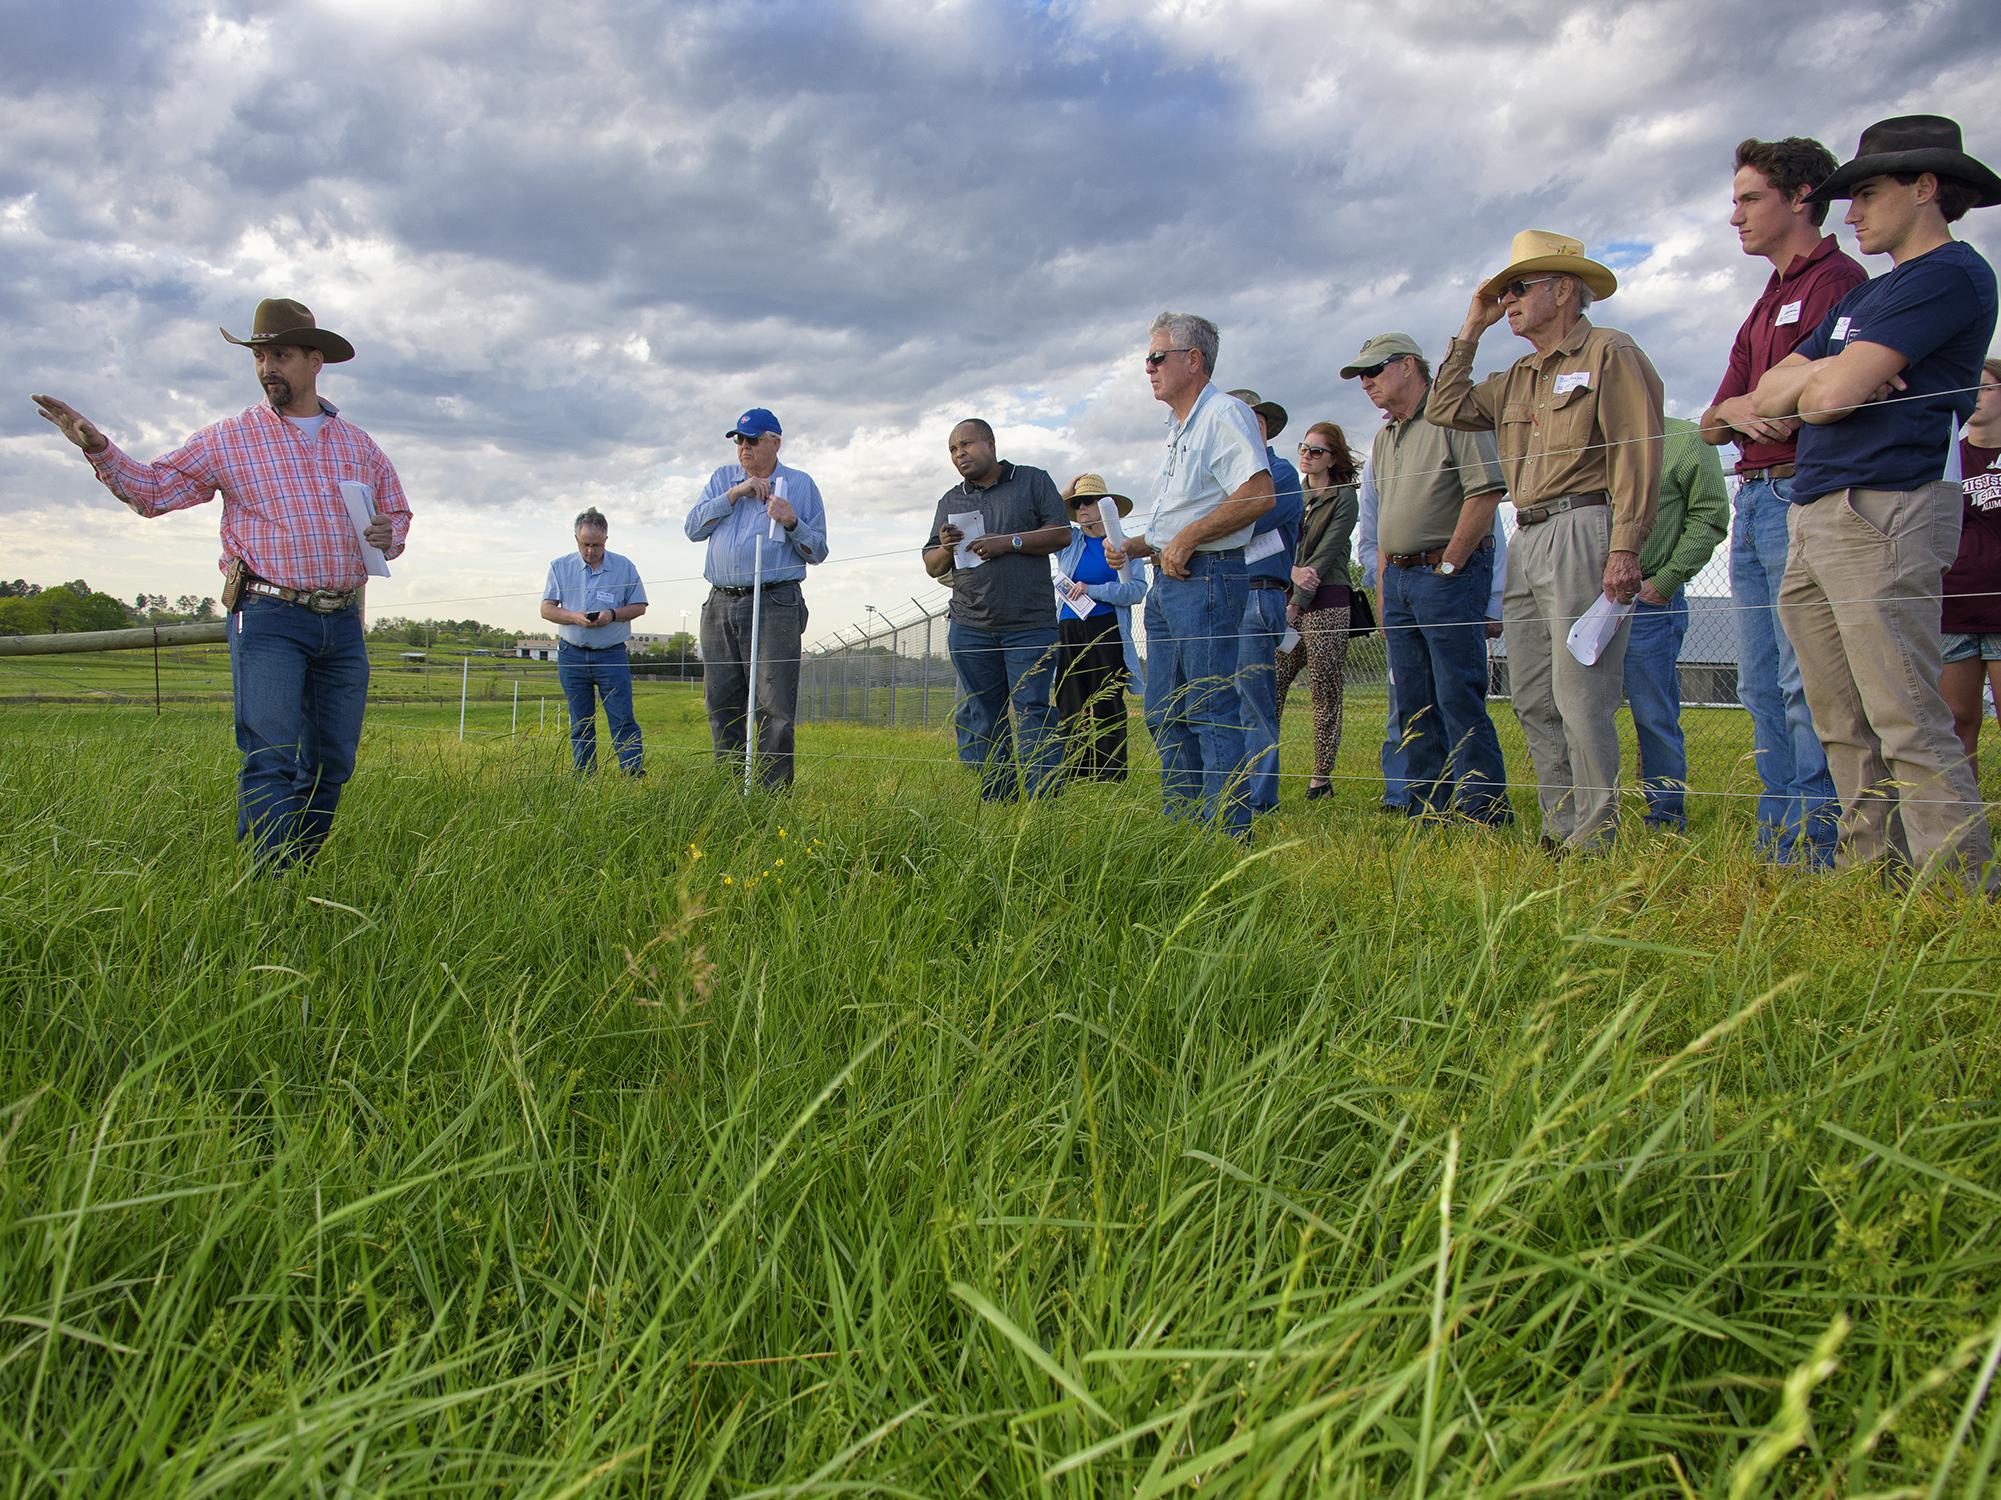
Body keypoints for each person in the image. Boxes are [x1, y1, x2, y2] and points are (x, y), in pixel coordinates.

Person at [34, 297, 411, 870]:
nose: (266, 368)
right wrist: (98, 448)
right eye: (259, 356)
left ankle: (294, 866)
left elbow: (398, 517)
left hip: (342, 621)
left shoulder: (359, 446)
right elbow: (154, 491)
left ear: (315, 361)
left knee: (332, 762)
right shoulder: (228, 439)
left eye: (279, 355)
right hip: (268, 616)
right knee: (271, 754)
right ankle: (269, 880)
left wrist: (387, 533)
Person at [1754, 115, 1999, 890]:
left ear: (1924, 187)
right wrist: (1828, 382)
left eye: (1864, 193)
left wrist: (1826, 384)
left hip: (1884, 505)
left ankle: (1956, 893)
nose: (1850, 212)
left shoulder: (1950, 275)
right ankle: (1873, 879)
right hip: (1817, 506)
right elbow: (1767, 391)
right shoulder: (1879, 290)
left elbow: (1819, 397)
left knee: (1904, 715)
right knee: (1840, 721)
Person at [1429, 231, 1664, 853]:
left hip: (1585, 527)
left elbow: (1637, 452)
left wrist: (1625, 545)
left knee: (1581, 695)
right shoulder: (1516, 377)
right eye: (1502, 291)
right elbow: (1444, 406)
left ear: (1564, 290)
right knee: (1533, 694)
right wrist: (1472, 326)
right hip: (1528, 533)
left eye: (1518, 288)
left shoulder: (1610, 352)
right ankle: (1560, 830)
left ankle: (1595, 837)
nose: (1507, 299)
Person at [1699, 136, 1865, 866]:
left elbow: (1825, 395)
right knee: (1760, 680)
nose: (1733, 215)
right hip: (1754, 497)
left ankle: (1818, 847)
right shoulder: (1762, 303)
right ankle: (1780, 843)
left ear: (1801, 197)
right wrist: (1743, 409)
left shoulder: (1841, 281)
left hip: (1804, 488)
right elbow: (1711, 421)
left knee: (1808, 682)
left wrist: (1753, 406)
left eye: (1747, 198)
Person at [1105, 312, 1275, 837]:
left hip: (1205, 577)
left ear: (1193, 360)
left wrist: (1187, 538)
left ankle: (1227, 831)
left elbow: (1259, 493)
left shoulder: (1223, 414)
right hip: (1170, 579)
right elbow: (1187, 511)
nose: (1148, 368)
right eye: (1147, 359)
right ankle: (1183, 827)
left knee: (1206, 702)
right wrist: (1140, 544)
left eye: (1157, 357)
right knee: (1163, 709)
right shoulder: (1182, 426)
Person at [1346, 332, 1512, 824]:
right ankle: (1421, 803)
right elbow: (1377, 522)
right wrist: (1382, 587)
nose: (1366, 383)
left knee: (1458, 694)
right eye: (1361, 375)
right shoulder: (1384, 437)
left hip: (1446, 575)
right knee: (1412, 699)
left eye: (1374, 371)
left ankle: (1483, 808)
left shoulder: (1456, 416)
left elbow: (1485, 494)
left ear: (1408, 366)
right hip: (1399, 580)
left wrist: (1447, 567)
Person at [920, 420, 1070, 800]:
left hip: (1029, 625)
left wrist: (1011, 542)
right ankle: (999, 800)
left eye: (966, 444)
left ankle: (1043, 805)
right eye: (952, 450)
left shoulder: (1033, 481)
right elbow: (932, 565)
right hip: (971, 626)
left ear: (990, 443)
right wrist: (946, 547)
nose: (959, 455)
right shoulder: (950, 501)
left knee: (1033, 711)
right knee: (984, 716)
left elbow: (1062, 533)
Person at [684, 407, 829, 789]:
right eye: (739, 441)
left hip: (774, 602)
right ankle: (729, 791)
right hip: (719, 603)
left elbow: (818, 550)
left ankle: (771, 798)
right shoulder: (722, 480)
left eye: (752, 440)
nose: (744, 448)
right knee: (721, 701)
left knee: (772, 705)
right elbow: (693, 529)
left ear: (775, 442)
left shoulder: (799, 485)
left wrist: (792, 521)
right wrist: (735, 494)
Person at [1621, 419, 1728, 830]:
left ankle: (1665, 818)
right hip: (1583, 602)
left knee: (1653, 714)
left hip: (1647, 603)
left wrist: (1665, 581)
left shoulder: (1685, 439)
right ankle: (1590, 814)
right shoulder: (1589, 437)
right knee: (1580, 710)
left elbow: (1711, 513)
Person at [1226, 390, 1303, 815]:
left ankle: (1258, 799)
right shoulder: (1225, 474)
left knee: (1252, 700)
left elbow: (1245, 521)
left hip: (1257, 592)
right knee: (1223, 696)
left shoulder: (1281, 473)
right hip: (1222, 592)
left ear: (1264, 426)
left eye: (1251, 419)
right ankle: (1232, 788)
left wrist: (1210, 520)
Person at [1276, 422, 1360, 800]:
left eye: (1316, 451)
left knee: (1324, 690)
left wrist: (1298, 601)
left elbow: (1326, 554)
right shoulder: (1293, 493)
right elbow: (1282, 545)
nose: (1307, 457)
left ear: (1333, 457)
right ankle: (1263, 765)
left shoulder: (1345, 497)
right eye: (1303, 449)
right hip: (1290, 597)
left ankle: (1320, 777)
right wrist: (1289, 588)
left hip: (1327, 598)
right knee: (1273, 682)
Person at [1052, 474, 1149, 779]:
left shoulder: (1125, 545)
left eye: (1089, 502)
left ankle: (1111, 771)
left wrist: (1093, 589)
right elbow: (1047, 519)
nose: (1081, 508)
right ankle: (1075, 768)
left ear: (1105, 506)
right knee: (1070, 699)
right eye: (1076, 503)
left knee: (1106, 698)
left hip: (1106, 628)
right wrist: (1064, 493)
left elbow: (1135, 590)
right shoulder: (1069, 543)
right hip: (1070, 627)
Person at [540, 507, 648, 774]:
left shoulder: (624, 567)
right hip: (571, 654)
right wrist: (574, 617)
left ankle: (632, 773)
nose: (590, 551)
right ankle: (585, 777)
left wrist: (611, 615)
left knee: (622, 717)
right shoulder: (560, 566)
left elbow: (639, 606)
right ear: (576, 540)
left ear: (606, 540)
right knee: (580, 721)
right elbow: (546, 609)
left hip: (611, 654)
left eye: (596, 545)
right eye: (585, 544)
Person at [1942, 358, 2001, 781]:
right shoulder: (1946, 458)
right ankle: (1965, 825)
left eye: (1984, 388)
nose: (1974, 396)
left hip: (1999, 605)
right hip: (1951, 607)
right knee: (1957, 721)